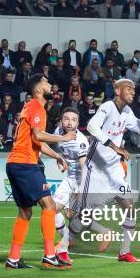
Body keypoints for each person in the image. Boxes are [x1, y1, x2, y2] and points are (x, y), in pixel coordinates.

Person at [71, 79, 140, 262]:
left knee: (129, 204)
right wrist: (114, 146)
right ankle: (67, 239)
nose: (133, 92)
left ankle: (124, 252)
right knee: (85, 215)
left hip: (114, 169)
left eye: (134, 90)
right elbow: (92, 127)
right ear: (117, 90)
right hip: (96, 169)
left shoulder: (127, 111)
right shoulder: (108, 106)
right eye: (128, 89)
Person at [4, 74, 74, 270]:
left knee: (25, 212)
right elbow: (38, 135)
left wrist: (56, 156)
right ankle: (50, 255)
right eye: (46, 81)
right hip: (25, 164)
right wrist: (65, 138)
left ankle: (13, 258)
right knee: (49, 206)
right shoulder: (36, 107)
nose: (50, 84)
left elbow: (37, 142)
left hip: (15, 163)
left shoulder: (30, 107)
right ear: (38, 89)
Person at [50, 108, 89, 264]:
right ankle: (65, 242)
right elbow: (59, 148)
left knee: (77, 219)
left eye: (73, 120)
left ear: (78, 123)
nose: (69, 122)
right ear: (61, 120)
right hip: (69, 179)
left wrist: (80, 190)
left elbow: (84, 166)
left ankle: (64, 249)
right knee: (51, 210)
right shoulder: (58, 131)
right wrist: (59, 159)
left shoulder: (80, 141)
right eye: (66, 119)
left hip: (84, 181)